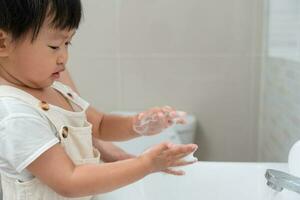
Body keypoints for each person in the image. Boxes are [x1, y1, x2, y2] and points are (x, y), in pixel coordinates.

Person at [0, 0, 198, 199]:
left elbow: (101, 125)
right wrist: (146, 164)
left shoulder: (55, 89)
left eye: (67, 43)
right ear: (3, 43)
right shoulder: (16, 115)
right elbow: (70, 180)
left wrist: (137, 123)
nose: (64, 57)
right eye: (54, 46)